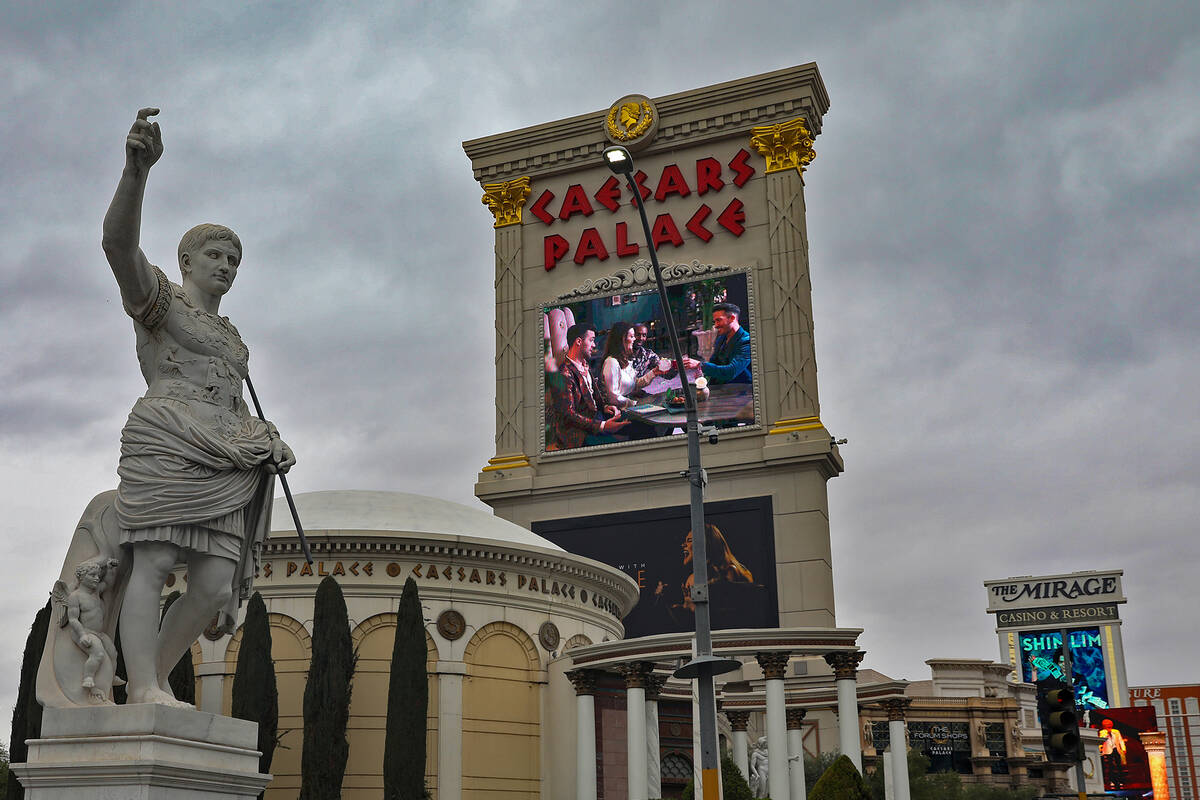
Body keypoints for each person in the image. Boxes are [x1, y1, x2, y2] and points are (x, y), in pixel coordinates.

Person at [101, 108, 296, 707]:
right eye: (216, 255)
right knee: (154, 561)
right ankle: (142, 690)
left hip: (225, 454)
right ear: (187, 261)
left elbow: (238, 404)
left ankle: (148, 682)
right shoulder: (159, 302)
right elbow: (117, 244)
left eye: (234, 261)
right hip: (169, 435)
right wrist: (136, 173)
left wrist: (267, 439)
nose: (227, 267)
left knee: (213, 586)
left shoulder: (235, 339)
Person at [547, 322, 628, 449]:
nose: (594, 345)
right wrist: (602, 425)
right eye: (591, 340)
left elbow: (593, 397)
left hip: (597, 419)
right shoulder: (563, 374)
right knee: (623, 445)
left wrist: (605, 406)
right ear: (579, 341)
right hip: (579, 434)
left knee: (638, 425)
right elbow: (568, 415)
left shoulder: (584, 364)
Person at [682, 302, 751, 384]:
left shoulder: (747, 341)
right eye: (714, 321)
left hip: (741, 390)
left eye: (718, 320)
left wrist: (699, 365)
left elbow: (731, 372)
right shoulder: (721, 338)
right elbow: (713, 362)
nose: (716, 325)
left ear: (732, 318)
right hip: (721, 388)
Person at [600, 321, 662, 408]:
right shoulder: (612, 362)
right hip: (617, 410)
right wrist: (636, 404)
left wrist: (654, 372)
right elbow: (613, 398)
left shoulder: (625, 359)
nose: (634, 339)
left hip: (629, 405)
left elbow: (634, 384)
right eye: (632, 336)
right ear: (622, 339)